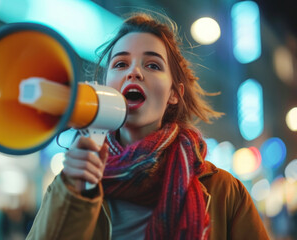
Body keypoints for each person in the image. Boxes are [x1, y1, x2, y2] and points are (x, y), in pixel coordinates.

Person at [26, 12, 269, 240]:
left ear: (174, 93)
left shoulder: (225, 192)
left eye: (152, 65)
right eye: (120, 64)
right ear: (106, 86)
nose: (134, 72)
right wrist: (73, 194)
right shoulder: (71, 182)